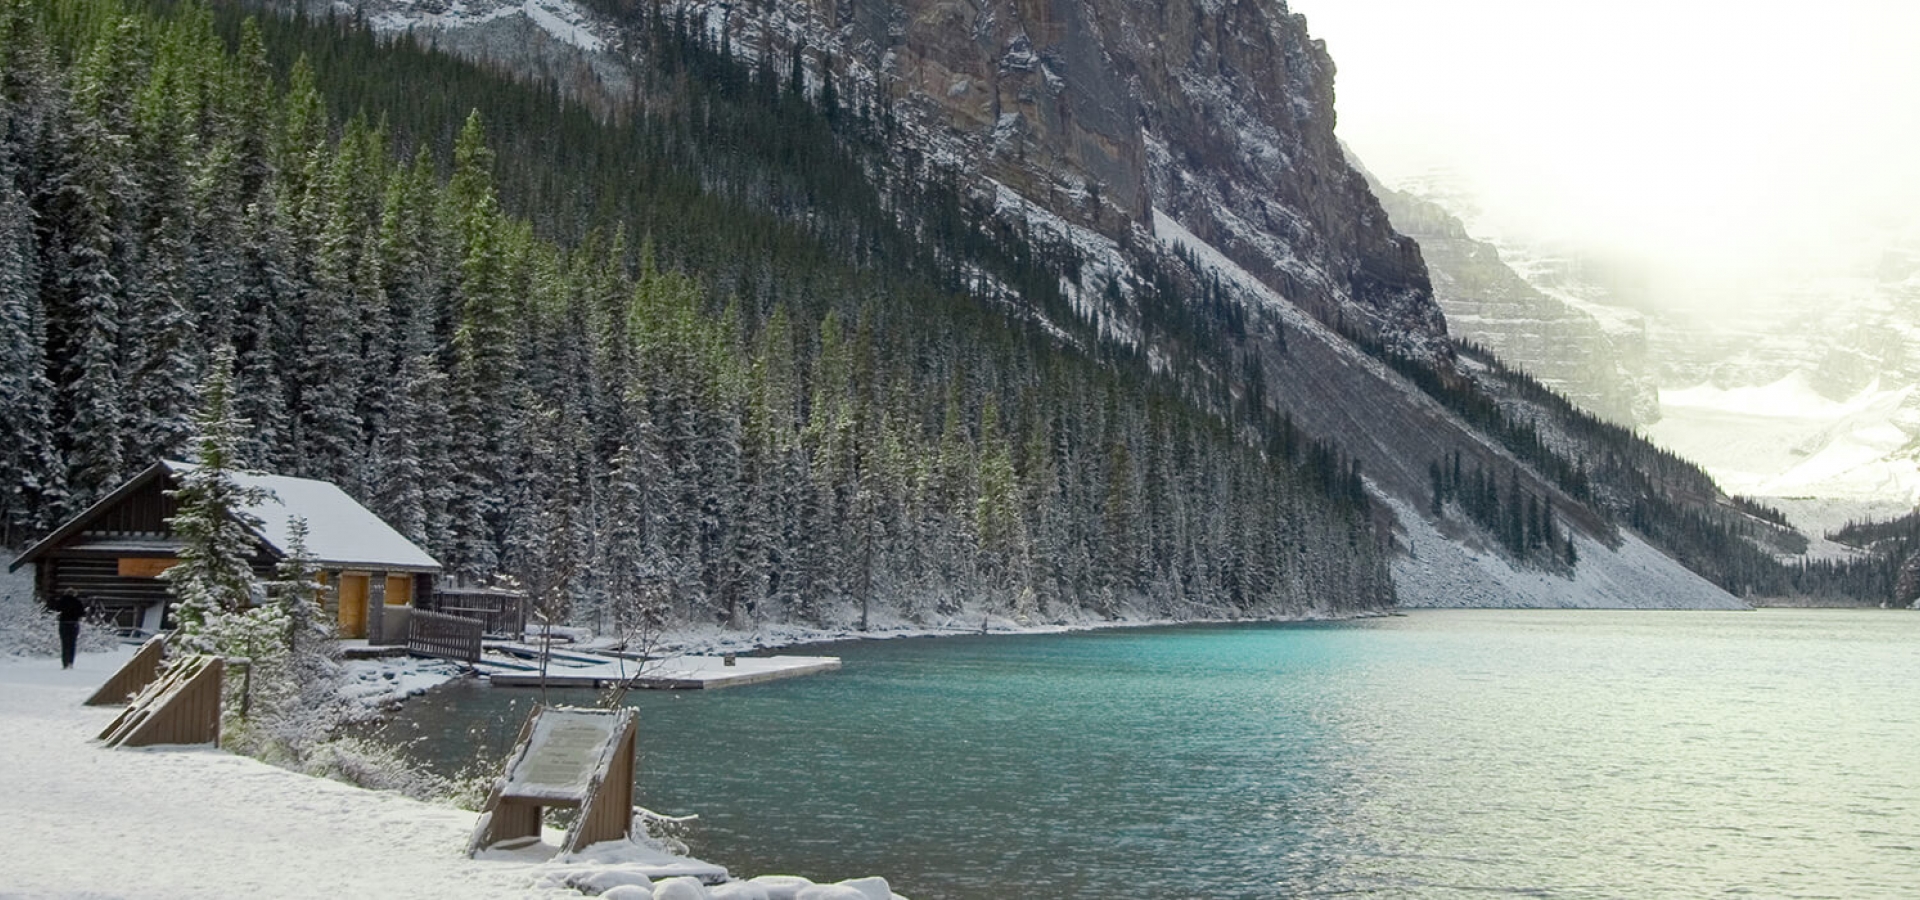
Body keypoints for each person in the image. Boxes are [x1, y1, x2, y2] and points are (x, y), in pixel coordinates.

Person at [52, 590, 85, 669]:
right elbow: (82, 613)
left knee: (64, 644)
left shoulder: (62, 601)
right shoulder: (77, 602)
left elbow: (56, 608)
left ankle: (65, 663)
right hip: (74, 624)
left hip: (63, 623)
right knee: (72, 644)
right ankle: (70, 662)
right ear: (74, 594)